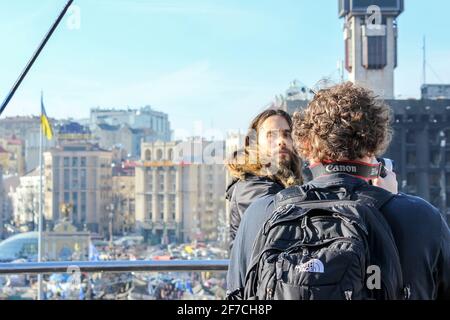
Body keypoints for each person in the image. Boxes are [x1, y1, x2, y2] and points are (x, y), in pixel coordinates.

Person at [227, 82, 450, 300]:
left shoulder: (259, 215)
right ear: (375, 142)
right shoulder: (422, 217)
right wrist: (392, 201)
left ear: (304, 144)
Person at [225, 109, 303, 250]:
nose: (281, 141)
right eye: (271, 135)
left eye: (287, 134)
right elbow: (284, 228)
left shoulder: (284, 181)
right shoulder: (251, 185)